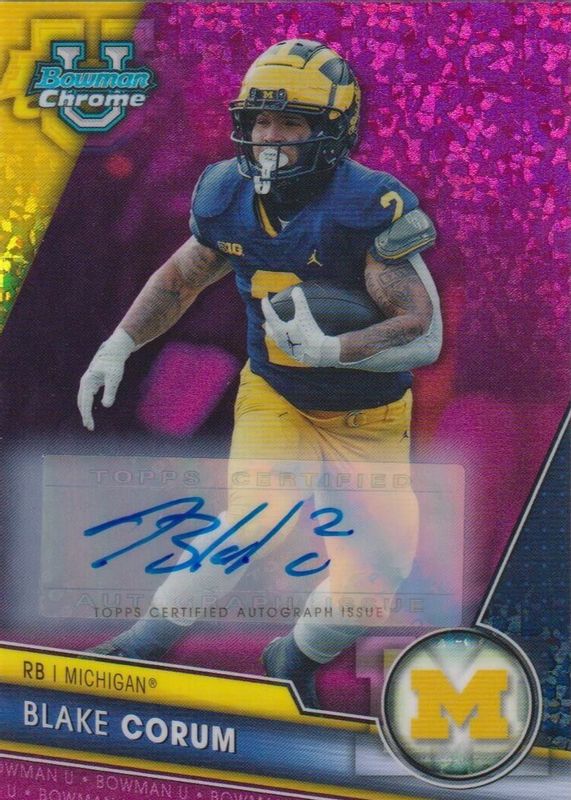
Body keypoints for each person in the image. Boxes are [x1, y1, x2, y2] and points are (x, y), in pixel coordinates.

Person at [77, 39, 442, 709]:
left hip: (368, 412)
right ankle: (143, 643)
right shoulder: (227, 192)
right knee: (255, 515)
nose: (270, 137)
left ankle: (293, 655)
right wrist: (119, 344)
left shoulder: (367, 204)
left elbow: (423, 329)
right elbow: (181, 277)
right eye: (261, 121)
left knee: (376, 578)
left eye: (291, 123)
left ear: (334, 130)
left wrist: (334, 350)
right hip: (277, 392)